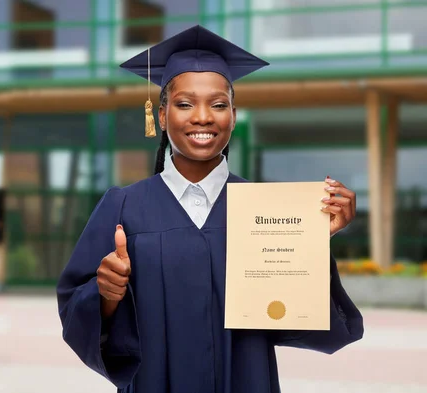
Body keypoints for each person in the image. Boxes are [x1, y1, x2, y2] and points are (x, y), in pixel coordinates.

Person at [56, 25, 363, 393]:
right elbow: (75, 312)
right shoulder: (123, 206)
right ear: (163, 113)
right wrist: (105, 296)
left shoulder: (268, 210)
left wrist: (308, 243)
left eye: (218, 104)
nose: (202, 117)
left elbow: (300, 322)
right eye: (185, 104)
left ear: (234, 114)